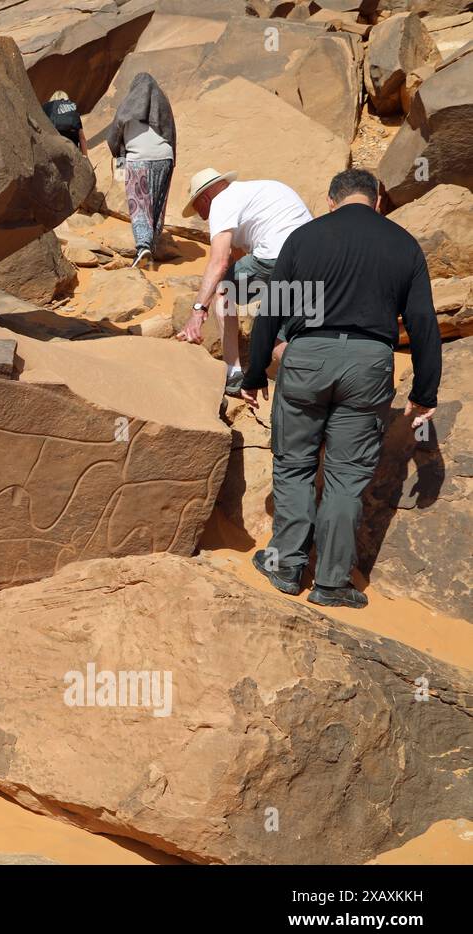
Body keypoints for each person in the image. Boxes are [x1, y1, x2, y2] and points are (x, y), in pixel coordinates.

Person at [240, 169, 441, 608]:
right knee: (346, 478)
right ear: (378, 202)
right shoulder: (403, 243)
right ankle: (331, 582)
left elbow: (269, 314)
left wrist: (254, 373)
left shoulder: (305, 238)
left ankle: (285, 564)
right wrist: (426, 391)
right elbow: (424, 321)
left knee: (293, 464)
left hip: (308, 354)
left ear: (331, 201)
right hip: (369, 362)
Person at [177, 169, 312, 396]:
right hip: (313, 260)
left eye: (198, 208)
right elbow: (237, 261)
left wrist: (198, 310)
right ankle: (314, 375)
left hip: (274, 256)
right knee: (280, 326)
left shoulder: (221, 202)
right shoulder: (258, 191)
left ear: (205, 198)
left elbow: (219, 263)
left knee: (223, 291)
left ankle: (233, 372)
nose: (202, 217)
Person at [106, 72, 176, 269]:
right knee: (157, 203)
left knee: (139, 203)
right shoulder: (162, 102)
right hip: (165, 157)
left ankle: (143, 247)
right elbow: (171, 133)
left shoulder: (128, 104)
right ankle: (151, 247)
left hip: (137, 160)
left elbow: (115, 138)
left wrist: (120, 166)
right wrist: (172, 162)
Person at [42, 90, 87, 157]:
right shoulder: (72, 110)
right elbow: (82, 138)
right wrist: (85, 156)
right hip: (72, 146)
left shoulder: (47, 108)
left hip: (54, 143)